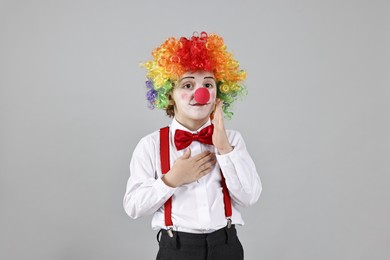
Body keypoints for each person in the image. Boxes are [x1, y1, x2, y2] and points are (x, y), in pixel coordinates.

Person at [123, 32, 262, 260]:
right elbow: (133, 206)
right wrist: (172, 179)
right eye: (187, 85)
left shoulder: (233, 141)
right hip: (177, 248)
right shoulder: (151, 145)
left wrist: (225, 149)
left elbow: (250, 197)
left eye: (208, 84)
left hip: (226, 245)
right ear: (170, 95)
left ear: (219, 92)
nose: (200, 92)